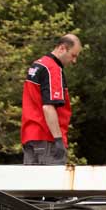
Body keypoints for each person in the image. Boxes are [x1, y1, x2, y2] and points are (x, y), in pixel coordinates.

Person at [21, 34, 82, 165]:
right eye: (73, 55)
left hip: (30, 136)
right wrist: (58, 140)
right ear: (62, 48)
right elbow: (48, 107)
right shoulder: (52, 69)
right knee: (51, 178)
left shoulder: (37, 65)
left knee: (31, 178)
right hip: (47, 138)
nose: (74, 61)